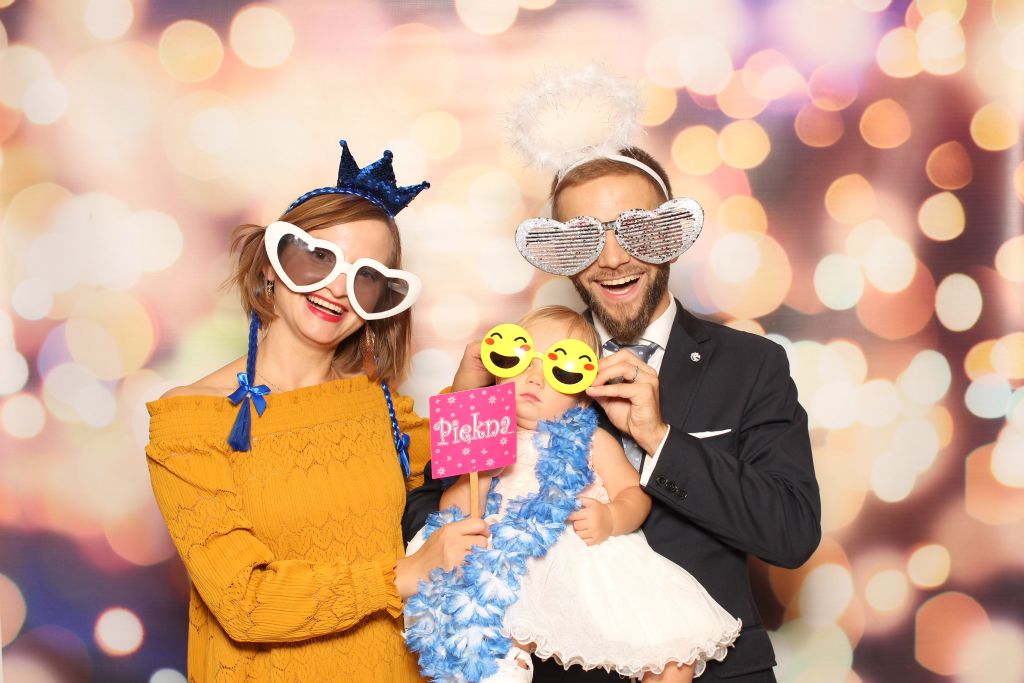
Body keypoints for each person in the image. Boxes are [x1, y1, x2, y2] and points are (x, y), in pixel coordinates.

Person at [404, 146, 821, 682]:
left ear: (670, 235)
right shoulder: (519, 361)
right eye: (585, 238)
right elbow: (429, 506)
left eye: (636, 231)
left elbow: (790, 533)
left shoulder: (751, 364)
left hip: (703, 668)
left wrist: (660, 438)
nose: (613, 258)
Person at [147, 140, 488, 682]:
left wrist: (473, 386)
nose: (337, 288)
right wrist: (398, 577)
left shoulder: (377, 402)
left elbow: (465, 484)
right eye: (319, 257)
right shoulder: (191, 421)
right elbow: (244, 602)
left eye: (366, 276)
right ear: (271, 266)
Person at [406, 306, 741, 683]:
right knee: (486, 630)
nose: (534, 377)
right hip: (507, 565)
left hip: (583, 562)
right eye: (520, 359)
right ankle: (503, 665)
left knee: (670, 648)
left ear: (583, 398)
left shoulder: (593, 440)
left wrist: (611, 517)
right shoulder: (487, 433)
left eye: (560, 370)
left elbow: (633, 492)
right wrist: (480, 478)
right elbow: (450, 514)